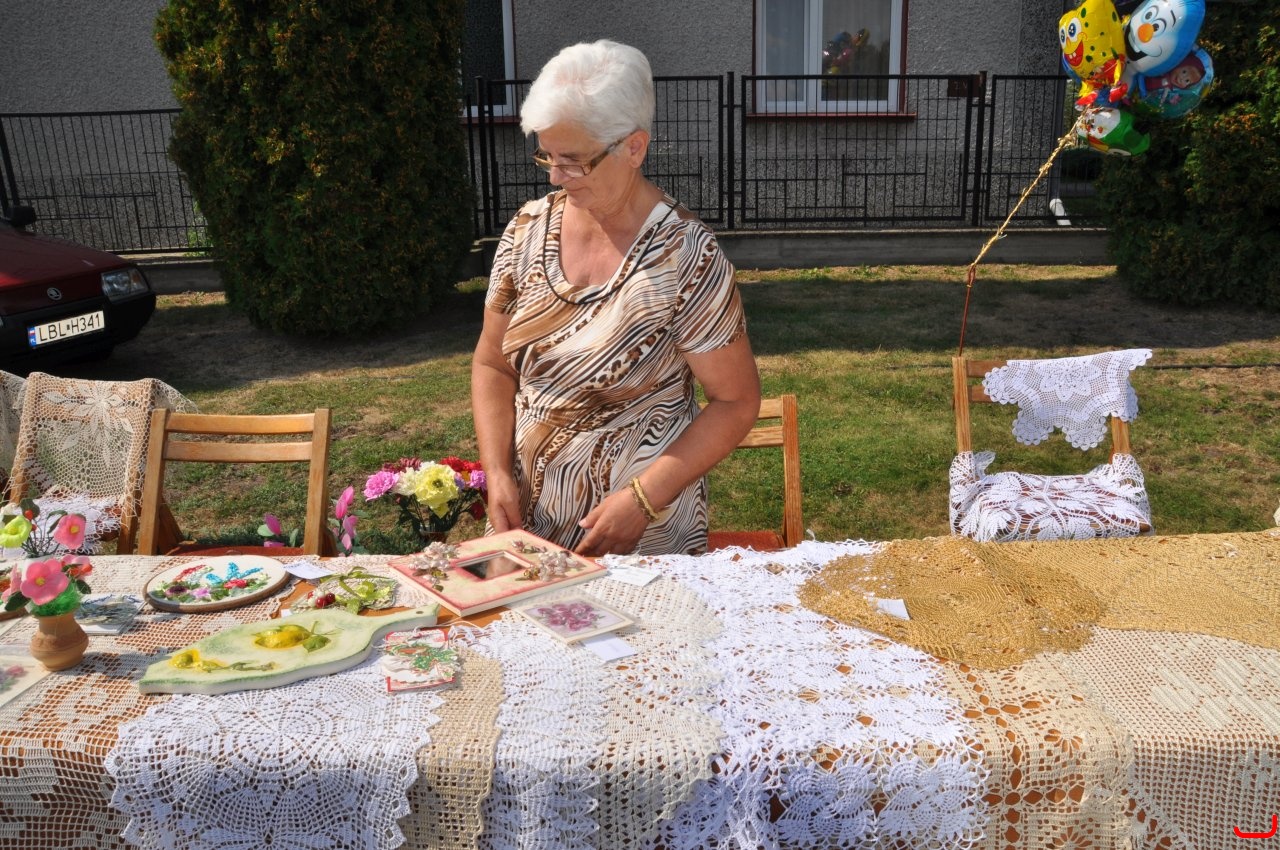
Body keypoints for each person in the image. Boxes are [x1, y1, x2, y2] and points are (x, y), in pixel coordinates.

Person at [471, 39, 761, 557]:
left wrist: (644, 501)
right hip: (526, 532)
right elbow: (493, 364)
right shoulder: (526, 230)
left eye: (573, 161)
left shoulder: (685, 255)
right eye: (547, 156)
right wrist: (496, 472)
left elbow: (736, 402)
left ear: (633, 148)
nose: (554, 176)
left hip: (644, 536)